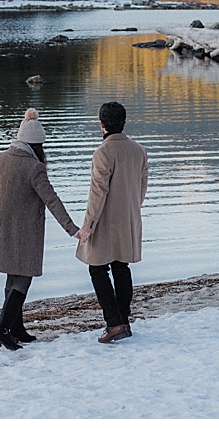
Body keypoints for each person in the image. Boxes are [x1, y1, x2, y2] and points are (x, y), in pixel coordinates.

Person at [0, 108, 79, 351]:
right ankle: (1, 331)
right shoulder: (34, 167)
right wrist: (72, 229)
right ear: (37, 145)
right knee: (23, 279)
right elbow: (52, 200)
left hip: (1, 231)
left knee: (13, 278)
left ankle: (16, 329)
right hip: (25, 234)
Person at [76, 101, 149, 343]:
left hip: (104, 221)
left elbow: (97, 194)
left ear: (102, 124)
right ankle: (123, 321)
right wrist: (130, 209)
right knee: (121, 268)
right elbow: (141, 189)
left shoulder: (103, 153)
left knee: (97, 269)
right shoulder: (139, 150)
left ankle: (114, 323)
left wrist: (86, 227)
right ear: (123, 122)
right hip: (129, 219)